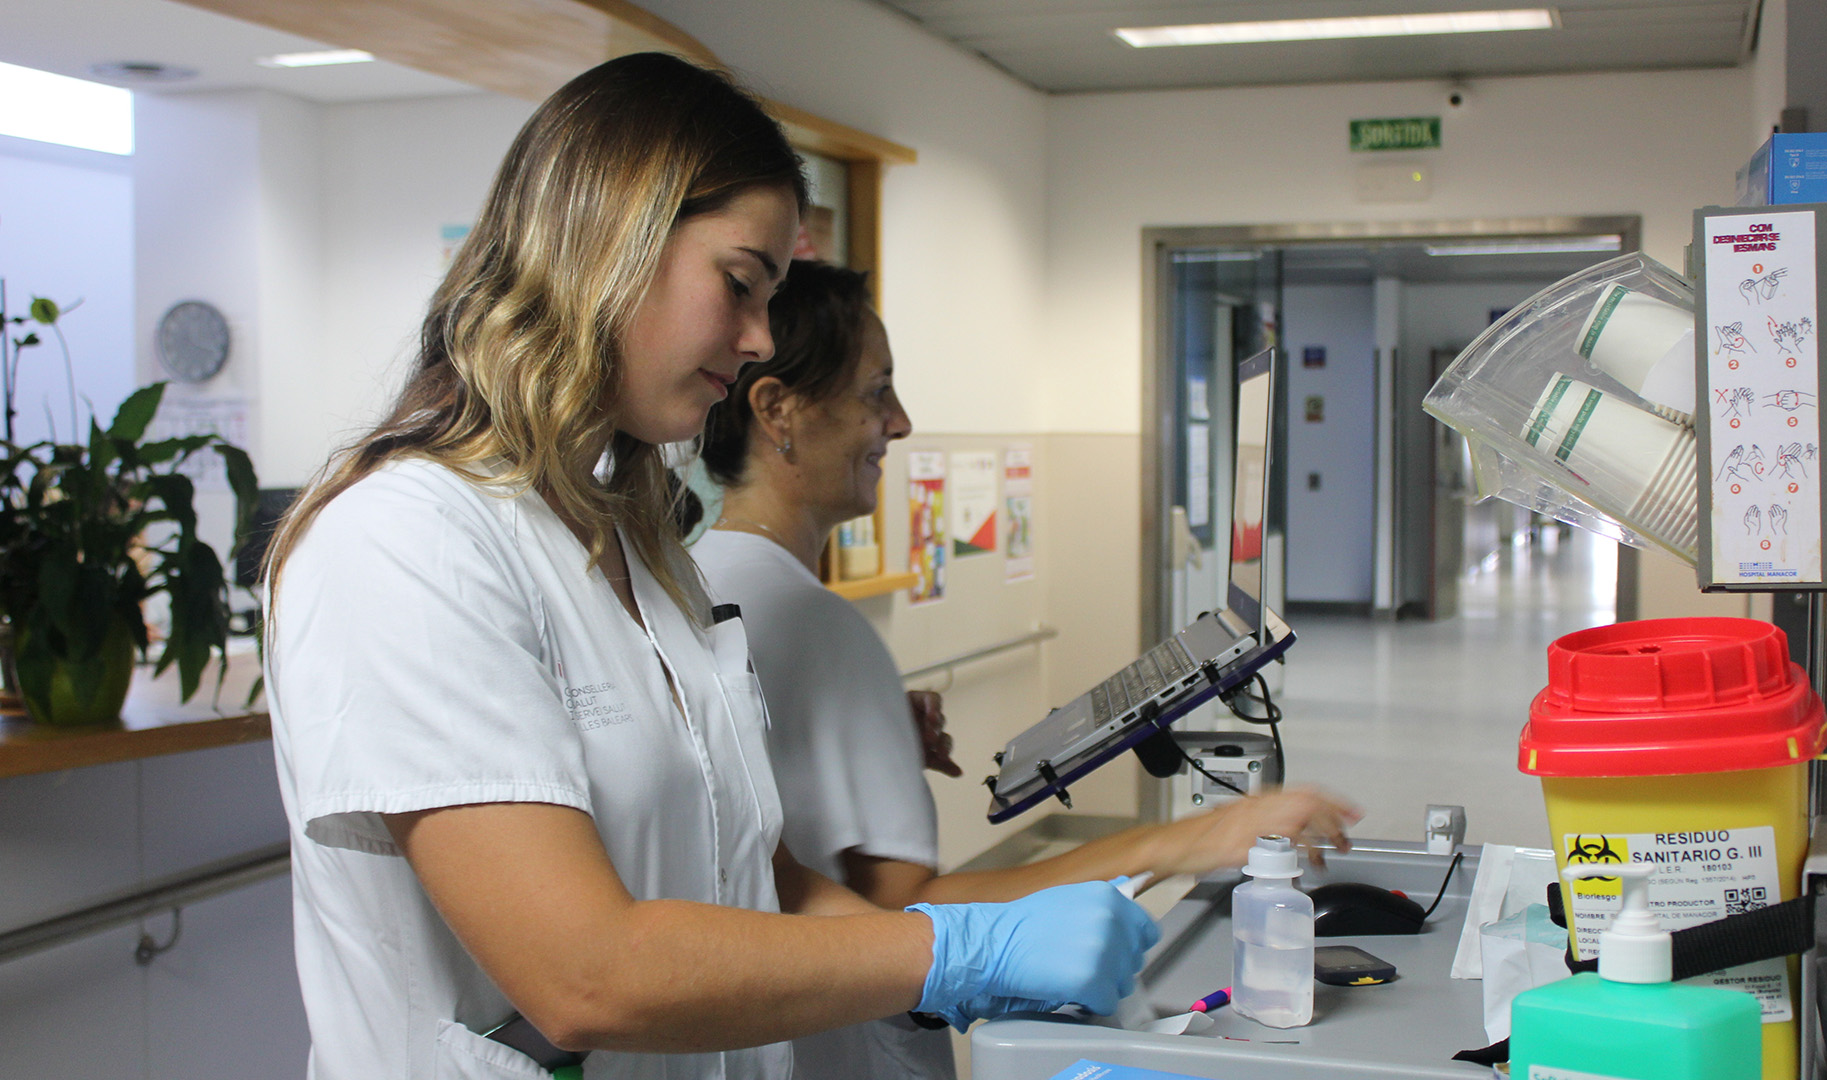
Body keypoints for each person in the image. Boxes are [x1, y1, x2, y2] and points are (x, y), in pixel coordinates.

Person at [263, 54, 1157, 1080]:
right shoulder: (402, 542)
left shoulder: (641, 553)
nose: (757, 340)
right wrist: (946, 950)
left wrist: (971, 959)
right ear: (606, 239)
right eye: (738, 285)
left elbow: (759, 877)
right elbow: (584, 974)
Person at [692, 260, 1364, 1080]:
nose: (900, 424)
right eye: (877, 392)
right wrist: (1196, 838)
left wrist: (871, 733)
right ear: (778, 410)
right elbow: (916, 922)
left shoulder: (694, 587)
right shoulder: (824, 632)